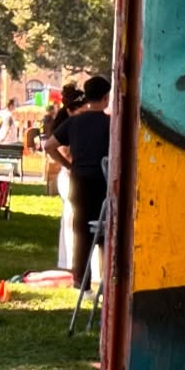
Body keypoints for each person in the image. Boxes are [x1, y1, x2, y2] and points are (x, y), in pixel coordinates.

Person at [47, 74, 110, 287]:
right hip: (102, 180)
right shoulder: (110, 124)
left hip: (79, 180)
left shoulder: (73, 122)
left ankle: (81, 280)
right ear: (105, 98)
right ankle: (106, 277)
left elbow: (49, 146)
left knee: (81, 229)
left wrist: (67, 164)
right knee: (105, 228)